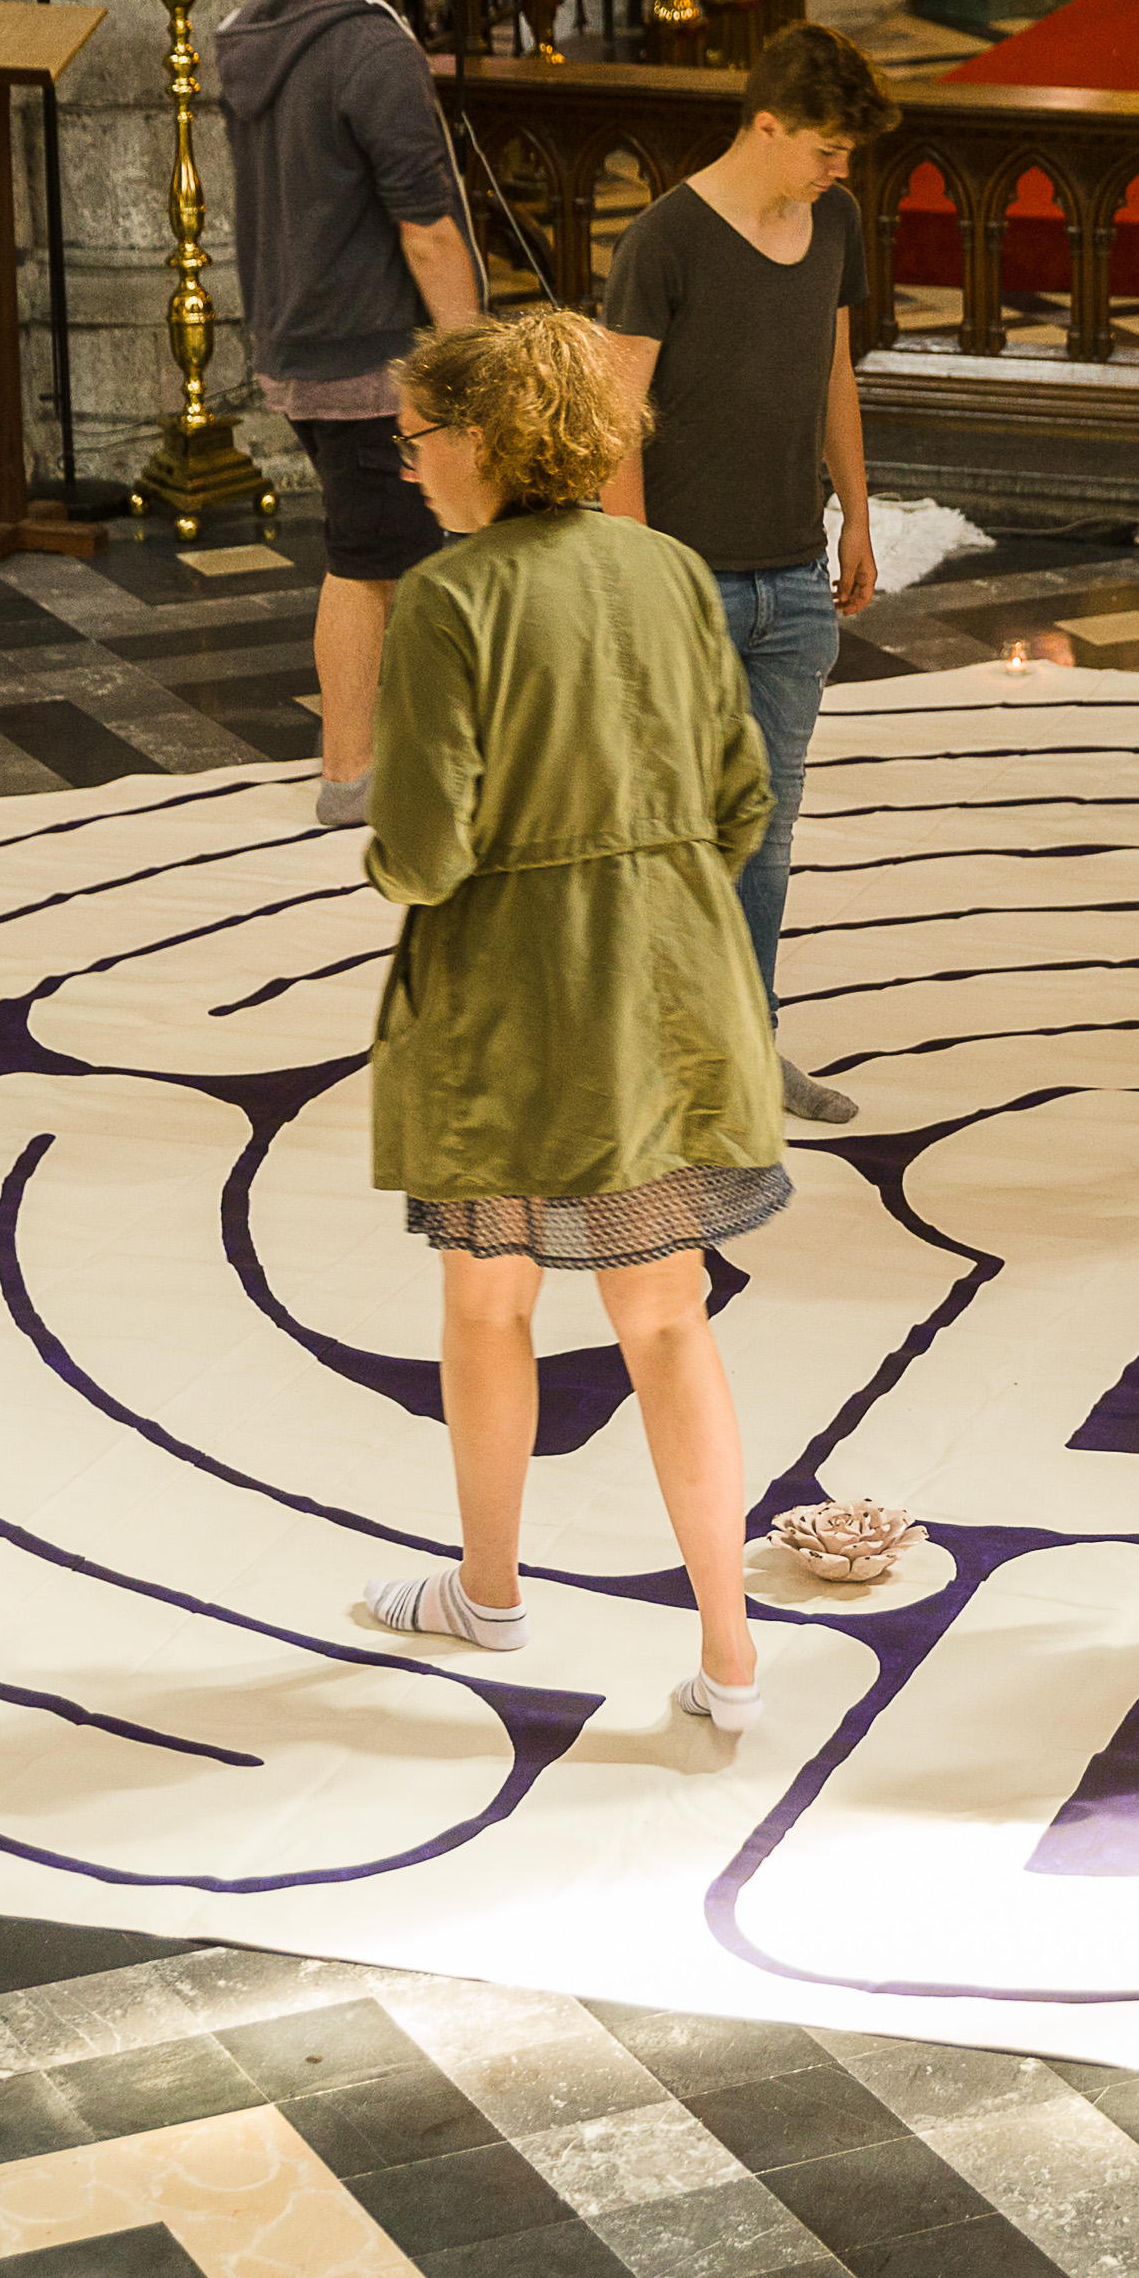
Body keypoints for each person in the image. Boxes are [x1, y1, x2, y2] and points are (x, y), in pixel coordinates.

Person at [355, 309, 781, 1736]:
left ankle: (489, 1588)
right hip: (666, 992)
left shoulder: (446, 599)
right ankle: (728, 1653)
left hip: (510, 1007)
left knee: (489, 1297)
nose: (409, 470)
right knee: (667, 1321)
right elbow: (740, 801)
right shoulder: (667, 571)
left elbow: (421, 852)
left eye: (417, 441)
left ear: (478, 441)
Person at [601, 22, 907, 1127]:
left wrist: (859, 510)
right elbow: (610, 420)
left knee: (763, 841)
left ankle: (743, 1052)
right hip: (685, 589)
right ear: (765, 125)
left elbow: (830, 363)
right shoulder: (664, 242)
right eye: (826, 148)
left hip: (793, 583)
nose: (840, 170)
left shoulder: (833, 220)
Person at [214, 0, 488, 831]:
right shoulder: (368, 49)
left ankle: (390, 762)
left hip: (300, 343)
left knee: (384, 554)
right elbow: (424, 226)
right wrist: (469, 364)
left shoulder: (261, 26)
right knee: (379, 564)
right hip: (379, 358)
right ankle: (353, 778)